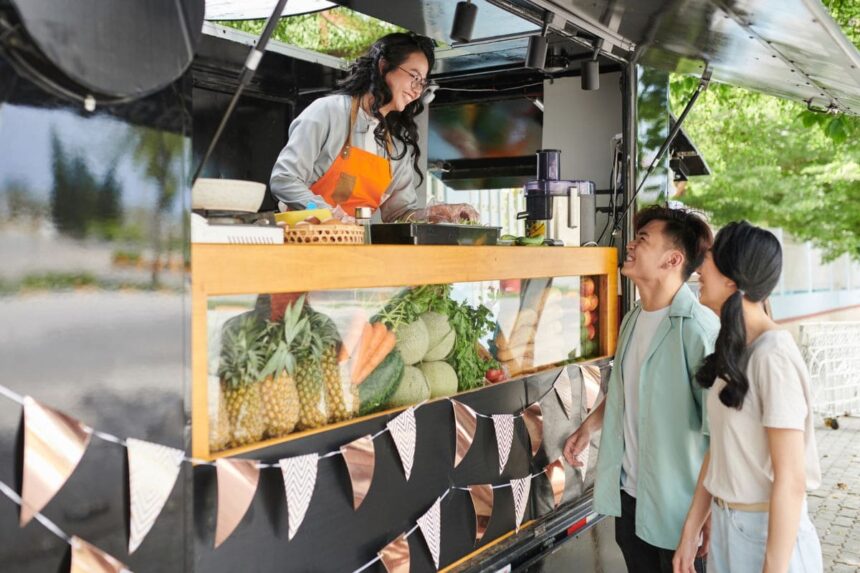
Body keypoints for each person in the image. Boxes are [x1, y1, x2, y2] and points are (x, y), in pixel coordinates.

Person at [563, 205, 718, 573]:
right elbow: (624, 389)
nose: (630, 245)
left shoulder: (698, 330)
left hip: (681, 510)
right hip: (631, 499)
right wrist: (588, 427)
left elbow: (721, 436)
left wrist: (702, 519)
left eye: (643, 239)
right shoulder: (633, 317)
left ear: (672, 259)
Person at [673, 222, 822, 573]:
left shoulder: (773, 356)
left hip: (766, 533)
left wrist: (774, 568)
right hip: (730, 525)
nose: (698, 270)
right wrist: (691, 529)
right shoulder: (738, 349)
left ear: (731, 280)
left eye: (707, 260)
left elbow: (791, 479)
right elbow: (722, 447)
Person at [270, 32, 478, 223]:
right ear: (383, 66)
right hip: (304, 244)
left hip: (356, 248)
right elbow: (284, 179)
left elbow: (398, 215)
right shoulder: (327, 112)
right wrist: (325, 214)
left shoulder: (396, 144)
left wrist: (433, 214)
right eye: (414, 77)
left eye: (422, 83)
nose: (417, 90)